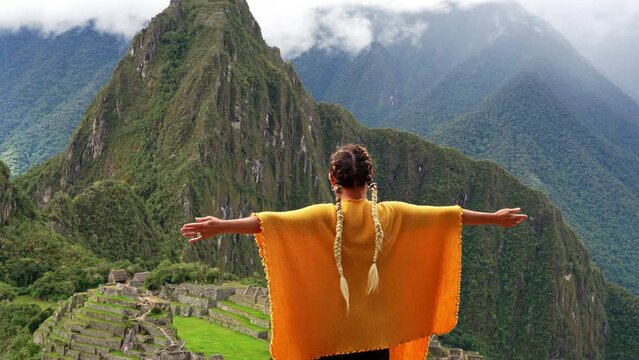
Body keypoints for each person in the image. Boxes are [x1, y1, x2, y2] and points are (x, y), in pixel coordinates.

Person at [180, 144, 527, 360]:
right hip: (376, 342)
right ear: (369, 179)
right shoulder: (392, 215)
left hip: (330, 340)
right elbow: (449, 216)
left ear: (334, 180)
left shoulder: (320, 218)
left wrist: (219, 225)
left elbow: (265, 224)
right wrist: (494, 219)